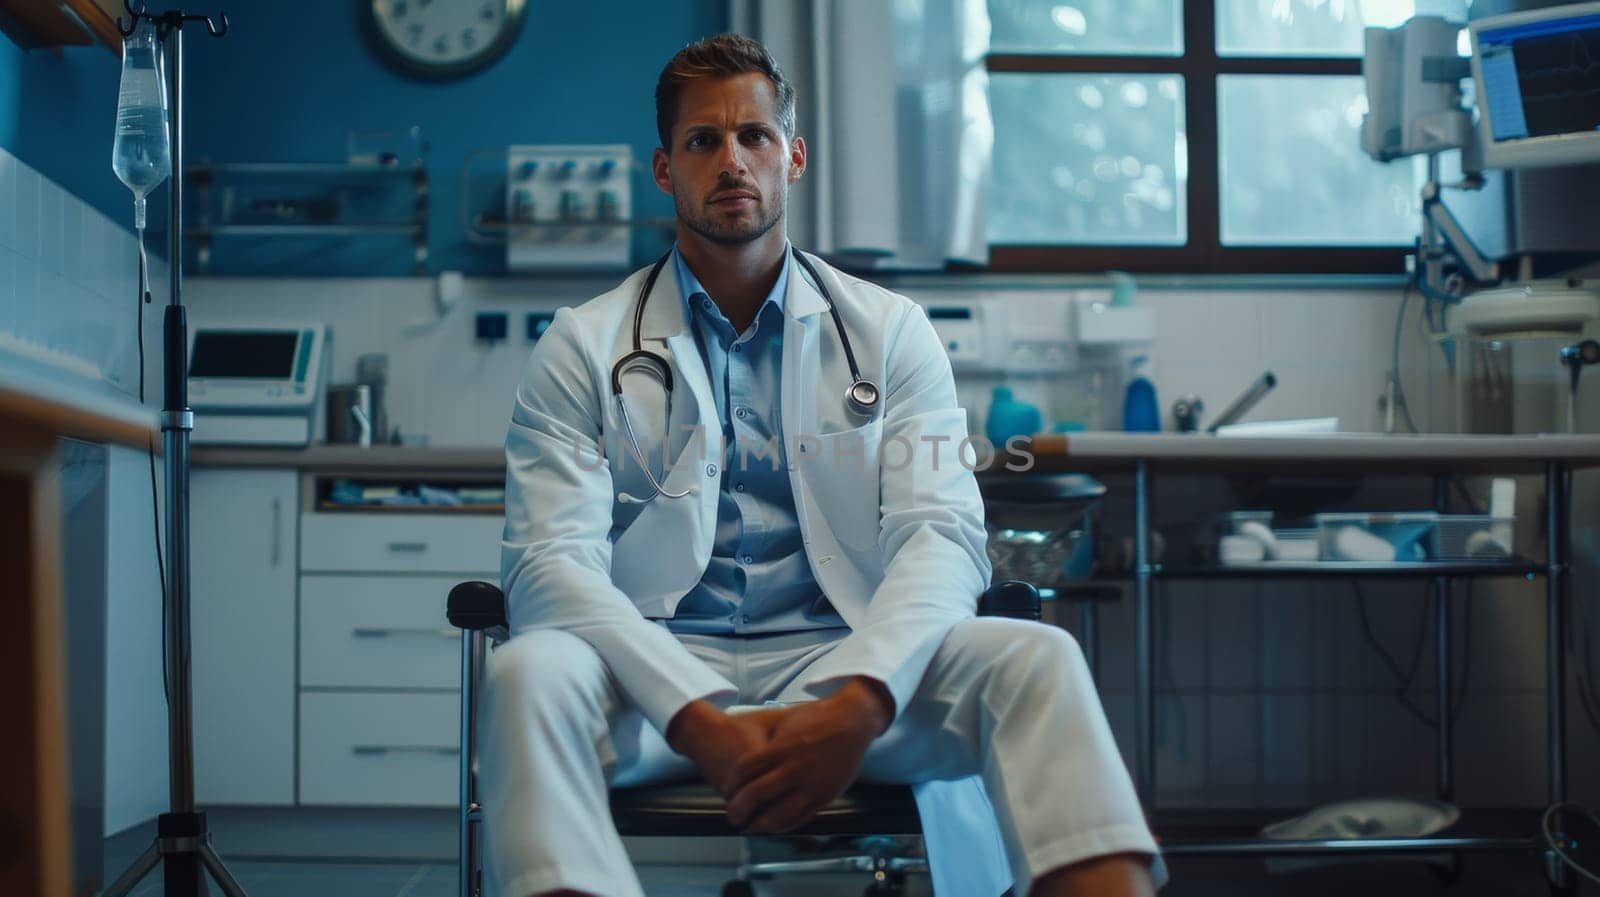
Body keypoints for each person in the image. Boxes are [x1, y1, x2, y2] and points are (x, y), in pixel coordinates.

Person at [484, 32, 1162, 897]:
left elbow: (943, 537)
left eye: (753, 137)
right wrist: (694, 713)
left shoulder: (891, 331)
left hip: (844, 661)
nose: (731, 160)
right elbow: (549, 567)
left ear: (793, 156)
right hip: (652, 671)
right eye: (702, 141)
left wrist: (863, 697)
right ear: (666, 169)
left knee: (1038, 659)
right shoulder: (582, 344)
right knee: (526, 673)